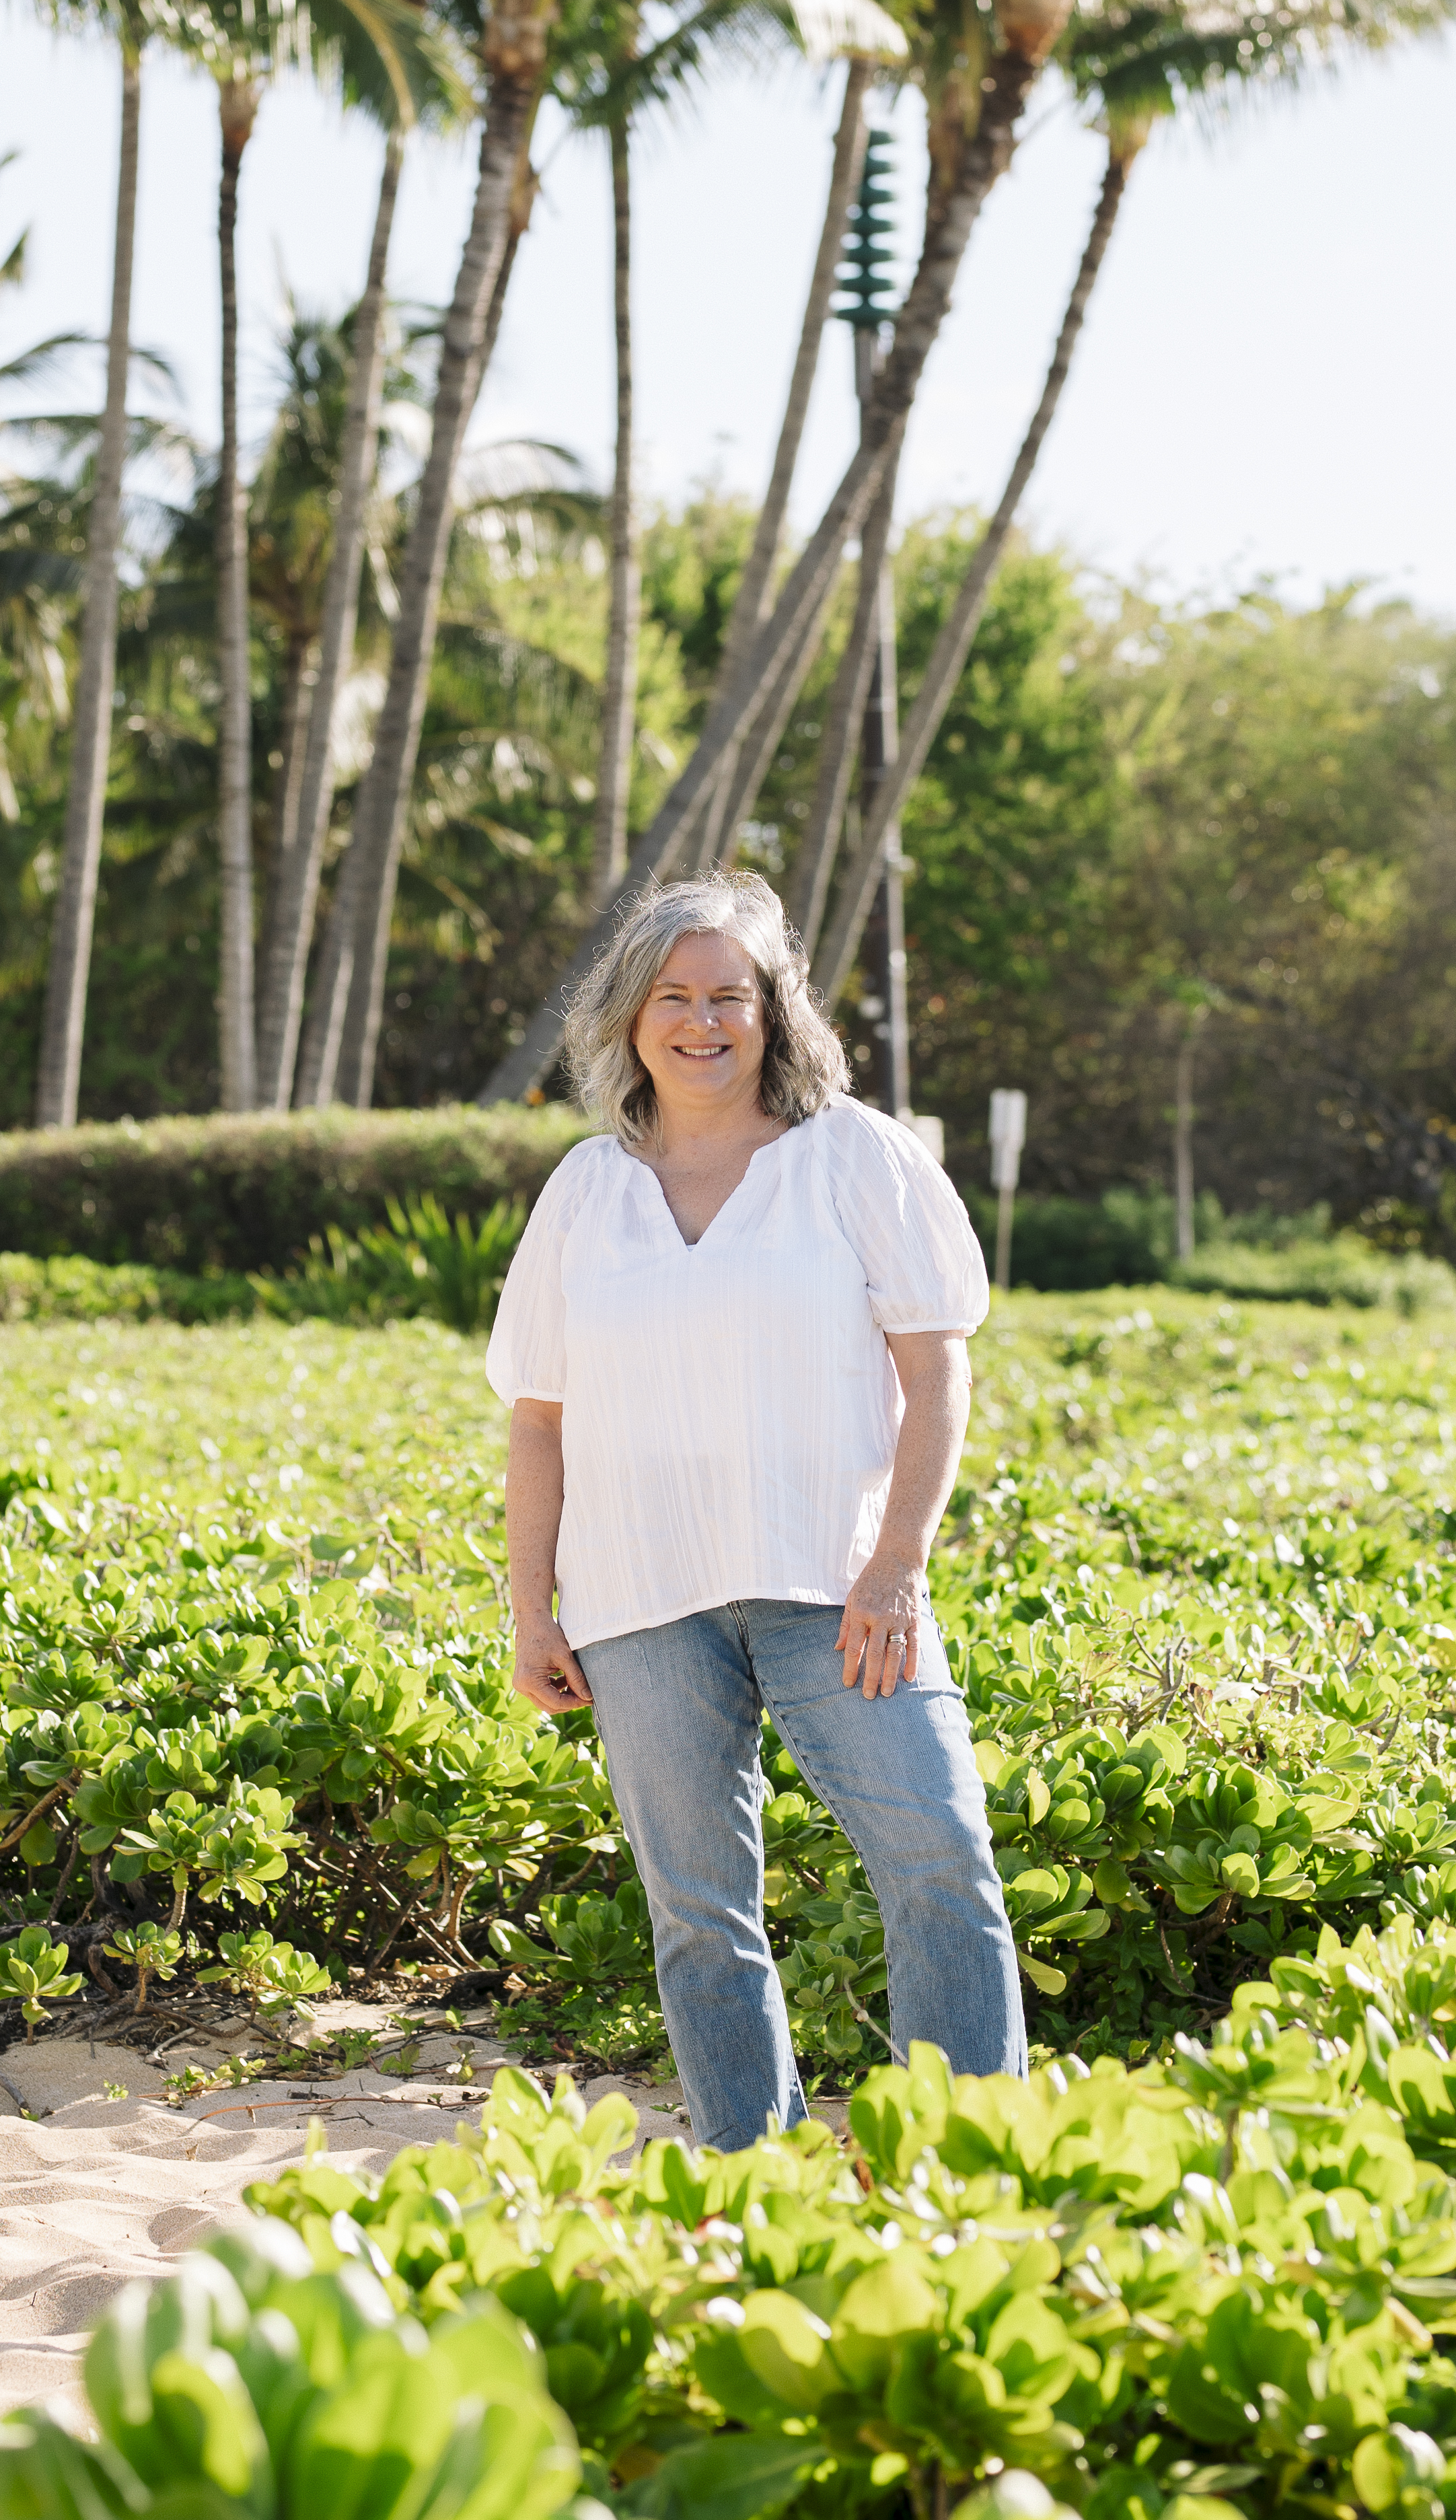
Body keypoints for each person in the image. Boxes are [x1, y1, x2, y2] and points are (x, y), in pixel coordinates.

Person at [486, 866, 1024, 2147]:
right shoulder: (584, 1190)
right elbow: (539, 1416)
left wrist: (897, 1564)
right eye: (674, 995)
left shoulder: (857, 1157)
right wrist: (529, 1610)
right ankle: (753, 2176)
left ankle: (970, 2161)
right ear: (629, 1017)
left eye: (732, 994)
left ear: (776, 1013)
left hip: (835, 1589)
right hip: (638, 1604)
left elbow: (937, 1365)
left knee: (941, 1855)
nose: (703, 1021)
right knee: (699, 1911)